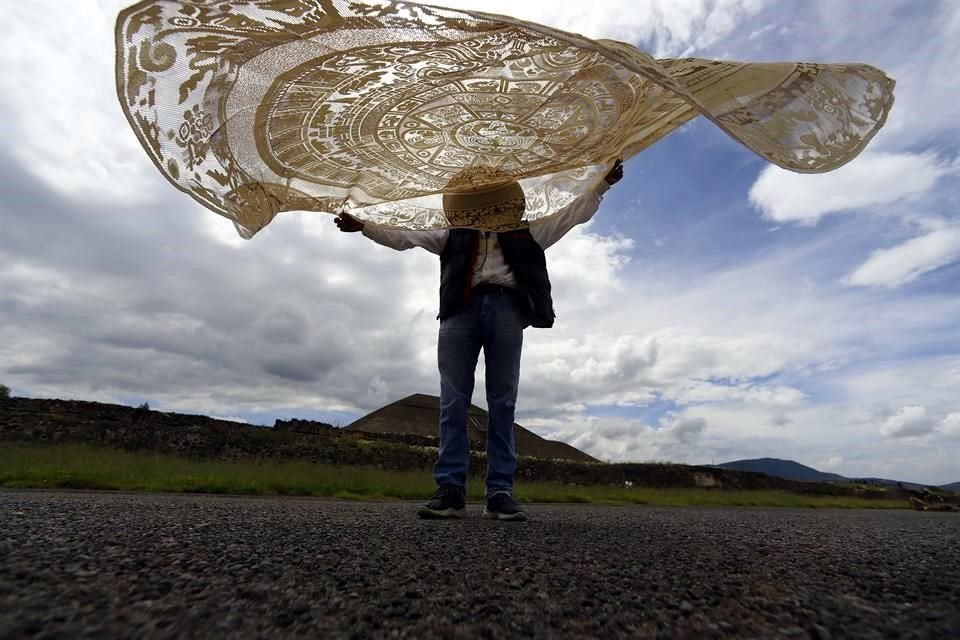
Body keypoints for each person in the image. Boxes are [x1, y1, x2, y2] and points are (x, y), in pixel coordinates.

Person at [335, 160, 624, 521]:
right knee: (453, 399)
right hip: (460, 310)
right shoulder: (450, 234)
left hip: (507, 310)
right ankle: (451, 491)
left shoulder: (528, 231)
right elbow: (406, 235)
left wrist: (602, 185)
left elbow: (572, 214)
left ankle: (499, 492)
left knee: (503, 400)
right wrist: (364, 227)